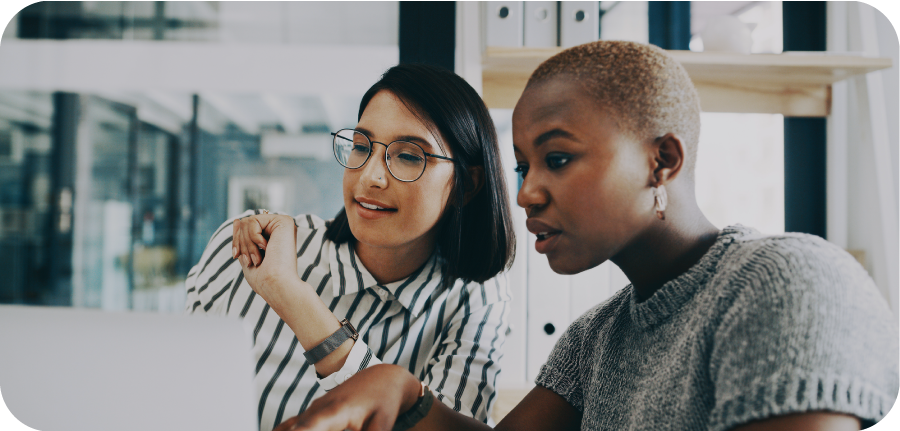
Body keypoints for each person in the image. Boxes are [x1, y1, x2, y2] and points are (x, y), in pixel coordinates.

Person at [273, 41, 900, 431]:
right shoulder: (596, 339)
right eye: (522, 166)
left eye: (559, 159)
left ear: (663, 162)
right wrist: (402, 392)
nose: (525, 193)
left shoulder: (785, 279)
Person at [184, 63, 516, 431]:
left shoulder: (474, 300)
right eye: (361, 146)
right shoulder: (248, 247)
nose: (370, 176)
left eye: (408, 156)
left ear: (466, 186)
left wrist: (290, 296)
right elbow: (177, 396)